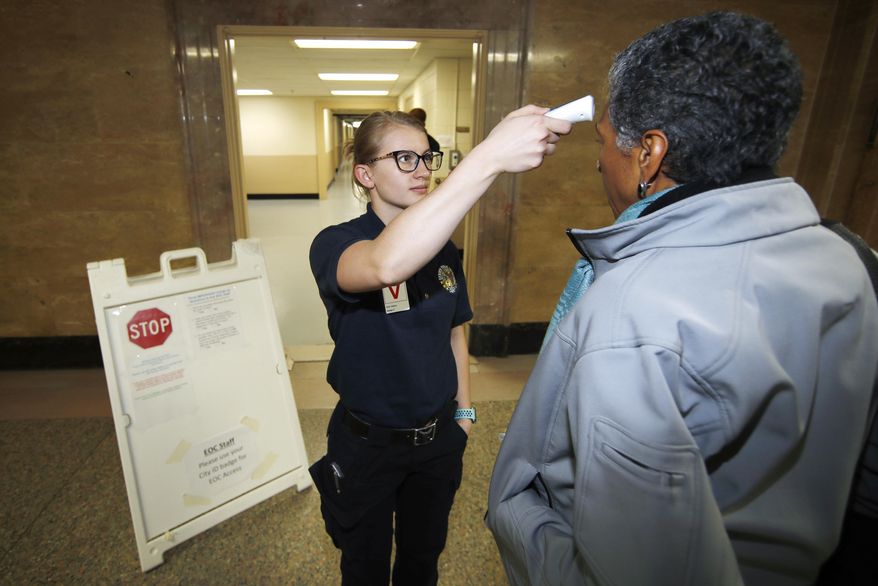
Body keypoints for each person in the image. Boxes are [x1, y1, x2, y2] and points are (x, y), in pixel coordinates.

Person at [485, 11, 878, 586]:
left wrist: (516, 513)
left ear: (649, 154)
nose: (599, 161)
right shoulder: (847, 258)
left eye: (604, 144)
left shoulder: (634, 316)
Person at [309, 108, 570, 585]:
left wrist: (464, 413)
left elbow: (455, 327)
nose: (423, 170)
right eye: (404, 158)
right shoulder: (336, 243)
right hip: (367, 445)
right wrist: (488, 158)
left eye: (427, 157)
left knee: (422, 560)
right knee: (363, 567)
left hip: (436, 443)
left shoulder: (442, 248)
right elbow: (385, 265)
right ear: (365, 174)